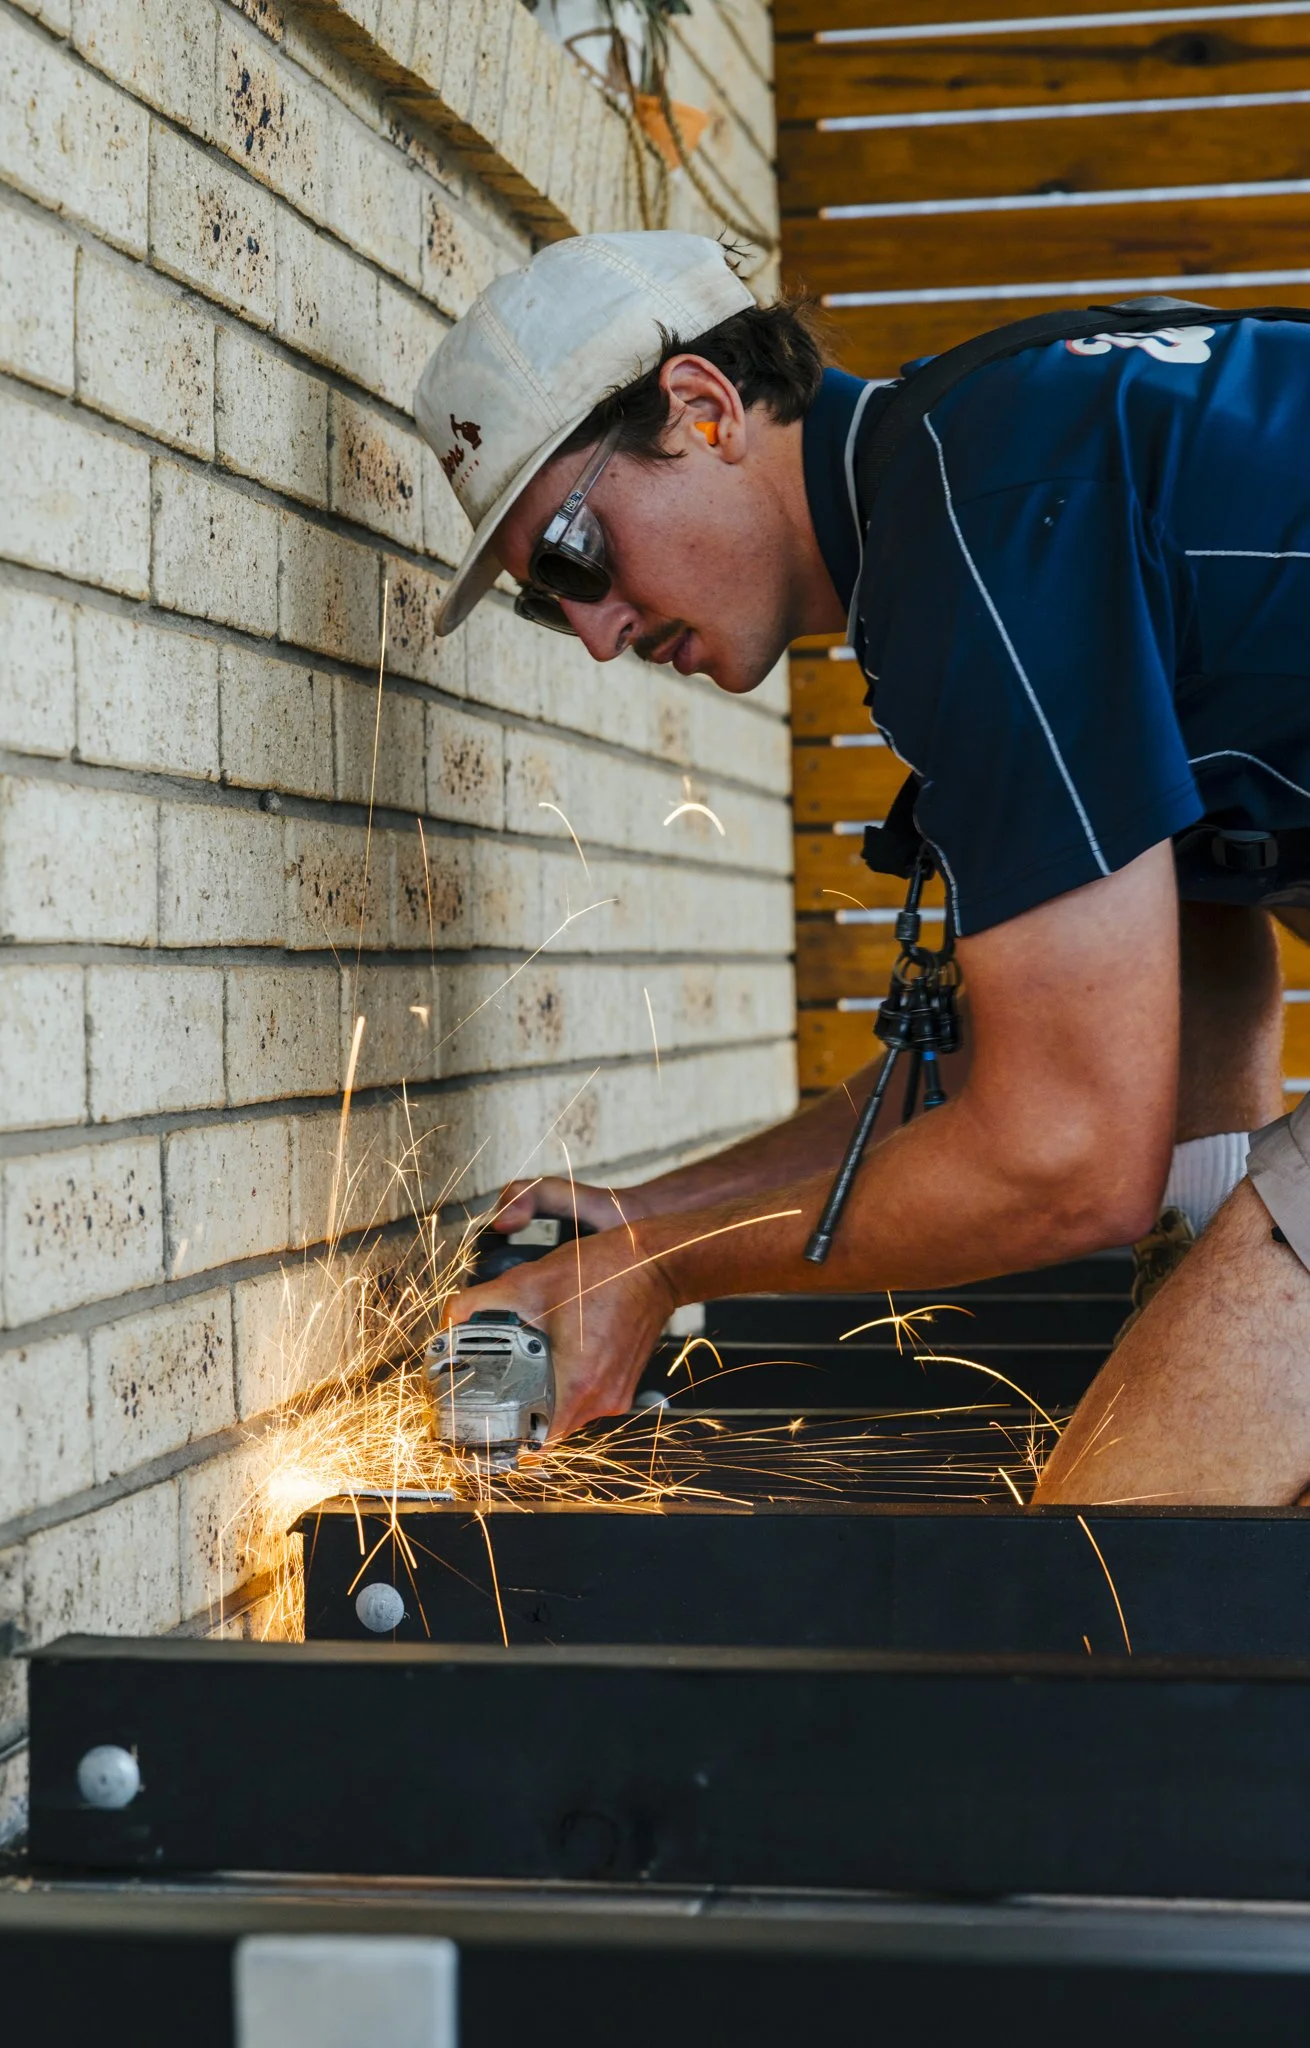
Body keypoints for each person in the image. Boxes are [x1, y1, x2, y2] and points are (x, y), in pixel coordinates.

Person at [413, 230, 1310, 1506]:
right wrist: (649, 1211)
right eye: (547, 601)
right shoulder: (985, 457)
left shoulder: (977, 542)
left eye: (576, 550)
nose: (596, 632)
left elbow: (1065, 1159)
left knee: (1120, 1561)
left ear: (703, 407)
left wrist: (666, 1268)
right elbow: (1126, 1026)